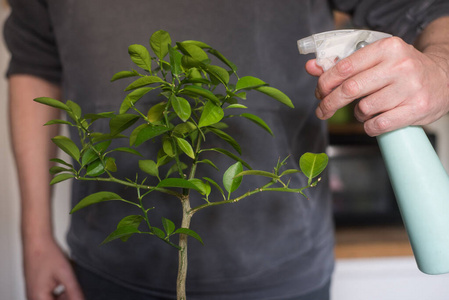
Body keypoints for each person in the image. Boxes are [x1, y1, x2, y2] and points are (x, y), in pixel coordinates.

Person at [4, 0, 449, 299]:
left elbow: (431, 11)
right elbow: (34, 61)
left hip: (282, 274)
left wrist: (439, 70)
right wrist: (36, 237)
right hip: (105, 271)